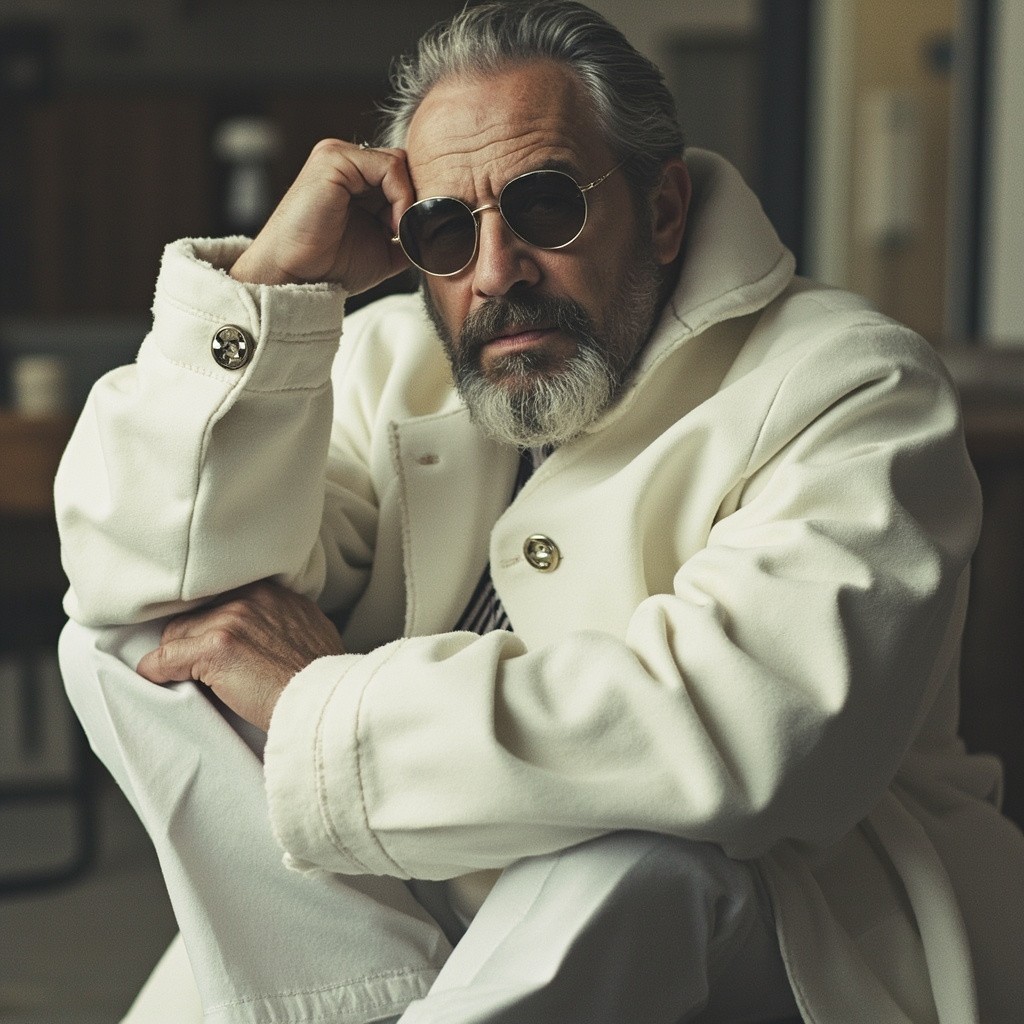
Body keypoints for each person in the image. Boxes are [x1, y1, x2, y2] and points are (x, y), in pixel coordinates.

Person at [54, 2, 1024, 1022]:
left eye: (546, 207)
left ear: (660, 209)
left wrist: (322, 702)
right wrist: (270, 289)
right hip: (426, 902)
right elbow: (140, 567)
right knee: (134, 638)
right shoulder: (389, 361)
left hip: (797, 921)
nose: (493, 271)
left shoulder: (853, 385)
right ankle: (358, 997)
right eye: (442, 228)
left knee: (638, 851)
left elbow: (741, 739)